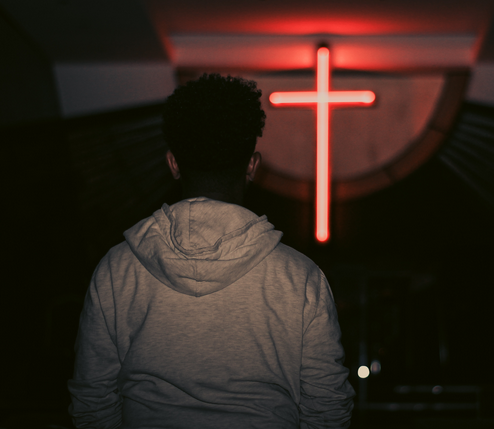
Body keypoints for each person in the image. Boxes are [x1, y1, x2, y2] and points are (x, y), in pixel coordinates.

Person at [67, 73, 355, 428]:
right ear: (252, 166)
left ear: (173, 163)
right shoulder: (300, 278)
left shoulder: (117, 270)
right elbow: (327, 404)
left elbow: (92, 398)